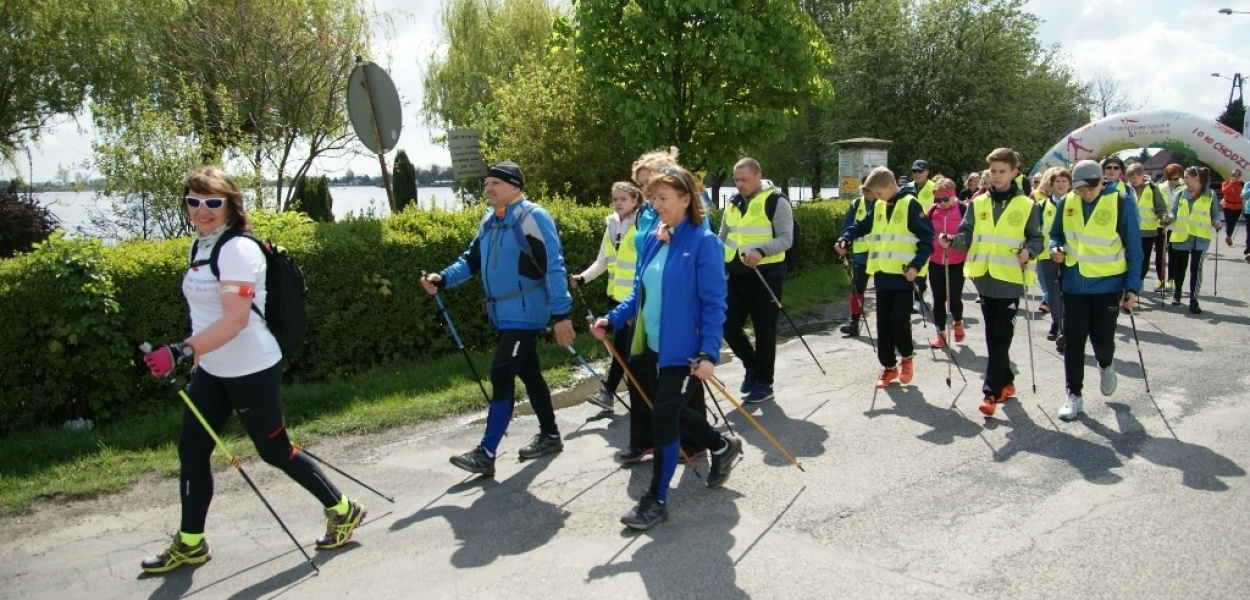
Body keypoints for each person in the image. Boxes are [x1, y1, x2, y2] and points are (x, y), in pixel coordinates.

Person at [138, 166, 364, 574]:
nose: (202, 210)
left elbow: (236, 320)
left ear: (230, 205)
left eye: (212, 202)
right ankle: (191, 543)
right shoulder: (200, 246)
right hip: (215, 367)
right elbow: (203, 314)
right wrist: (198, 357)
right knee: (191, 450)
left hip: (252, 366)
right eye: (194, 201)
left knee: (274, 451)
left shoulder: (238, 250)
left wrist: (181, 351)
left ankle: (343, 509)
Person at [590, 165, 742, 531]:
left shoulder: (703, 242)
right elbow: (638, 293)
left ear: (686, 199)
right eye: (652, 198)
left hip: (684, 350)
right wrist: (611, 318)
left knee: (662, 419)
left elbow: (713, 302)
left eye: (663, 198)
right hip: (651, 343)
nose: (655, 204)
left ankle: (656, 500)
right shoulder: (654, 239)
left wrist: (709, 352)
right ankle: (721, 446)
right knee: (667, 411)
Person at [421, 161, 575, 475]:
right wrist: (443, 279)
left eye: (495, 183)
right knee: (530, 374)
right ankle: (550, 435)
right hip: (504, 315)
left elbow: (554, 267)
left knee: (501, 375)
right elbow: (471, 260)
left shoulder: (534, 217)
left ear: (515, 186)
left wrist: (561, 314)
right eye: (486, 183)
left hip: (527, 314)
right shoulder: (491, 219)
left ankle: (486, 452)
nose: (488, 188)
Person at [939, 147, 1043, 417]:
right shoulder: (977, 203)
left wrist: (1029, 251)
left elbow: (1037, 239)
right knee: (992, 336)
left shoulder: (1027, 205)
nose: (996, 177)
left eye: (1002, 172)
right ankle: (1006, 382)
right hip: (984, 278)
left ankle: (990, 393)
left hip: (1009, 279)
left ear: (1013, 172)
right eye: (993, 172)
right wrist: (952, 241)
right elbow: (966, 235)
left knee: (1000, 336)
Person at [1047, 160, 1143, 420]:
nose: (1086, 193)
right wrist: (1054, 248)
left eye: (1090, 187)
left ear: (1102, 180)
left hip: (1108, 283)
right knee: (1073, 341)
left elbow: (1134, 247)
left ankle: (1106, 364)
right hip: (1074, 283)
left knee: (1102, 339)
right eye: (1081, 188)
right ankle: (1074, 395)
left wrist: (1133, 286)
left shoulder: (1121, 201)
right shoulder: (1066, 201)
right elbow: (1055, 234)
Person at [835, 166, 934, 387]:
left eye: (878, 193)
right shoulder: (879, 206)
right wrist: (846, 238)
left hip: (903, 275)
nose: (875, 198)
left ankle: (907, 357)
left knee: (899, 319)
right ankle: (889, 367)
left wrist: (916, 266)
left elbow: (927, 239)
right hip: (881, 274)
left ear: (890, 186)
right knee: (883, 324)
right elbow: (861, 226)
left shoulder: (910, 205)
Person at [720, 157, 794, 403]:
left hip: (766, 276)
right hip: (736, 276)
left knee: (764, 332)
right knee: (727, 325)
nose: (739, 184)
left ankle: (765, 383)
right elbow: (723, 238)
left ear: (758, 176)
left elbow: (786, 239)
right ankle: (752, 366)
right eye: (736, 179)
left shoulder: (776, 201)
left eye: (744, 179)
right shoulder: (732, 203)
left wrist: (761, 251)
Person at [571, 182, 644, 412]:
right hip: (618, 300)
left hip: (637, 299)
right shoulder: (612, 225)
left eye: (623, 199)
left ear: (635, 200)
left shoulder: (642, 224)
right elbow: (603, 260)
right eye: (615, 199)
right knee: (622, 350)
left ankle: (612, 393)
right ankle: (615, 394)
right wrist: (582, 278)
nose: (618, 203)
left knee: (625, 350)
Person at [1168, 165, 1221, 314]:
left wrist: (1217, 222)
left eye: (1186, 177)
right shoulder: (1180, 194)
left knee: (1197, 269)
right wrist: (1168, 219)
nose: (1183, 180)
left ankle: (1194, 299)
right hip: (1181, 236)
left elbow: (1215, 214)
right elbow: (1173, 213)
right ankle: (1177, 293)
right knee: (1180, 268)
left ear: (1196, 178)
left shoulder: (1210, 194)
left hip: (1201, 237)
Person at [926, 176, 967, 348]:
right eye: (938, 199)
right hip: (936, 261)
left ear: (953, 195)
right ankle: (940, 334)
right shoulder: (932, 211)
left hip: (957, 261)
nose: (942, 202)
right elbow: (925, 232)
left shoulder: (963, 209)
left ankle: (958, 322)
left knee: (955, 298)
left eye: (946, 198)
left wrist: (952, 239)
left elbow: (968, 234)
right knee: (938, 299)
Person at [1126, 163, 1172, 293]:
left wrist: (1164, 217)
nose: (1133, 179)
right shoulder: (1125, 188)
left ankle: (1137, 282)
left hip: (1148, 231)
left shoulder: (1152, 188)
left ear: (1142, 176)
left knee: (1144, 262)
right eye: (1130, 177)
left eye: (1135, 176)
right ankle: (1132, 286)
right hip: (1130, 231)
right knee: (1130, 260)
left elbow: (1161, 207)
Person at [1037, 167, 1071, 345]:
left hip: (1069, 255)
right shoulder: (1041, 206)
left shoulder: (1075, 203)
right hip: (1046, 255)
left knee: (1067, 292)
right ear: (1051, 184)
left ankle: (1065, 328)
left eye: (1064, 181)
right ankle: (1057, 323)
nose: (1060, 184)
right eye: (1057, 181)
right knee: (1052, 293)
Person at [839, 179, 873, 337]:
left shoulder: (884, 204)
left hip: (881, 253)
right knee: (857, 288)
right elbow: (848, 226)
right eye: (864, 189)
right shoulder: (856, 203)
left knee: (885, 290)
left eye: (870, 189)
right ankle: (854, 322)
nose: (867, 192)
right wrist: (843, 243)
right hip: (861, 253)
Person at [1220, 169, 1244, 247]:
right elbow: (1224, 191)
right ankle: (1228, 236)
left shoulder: (1242, 184)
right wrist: (1232, 183)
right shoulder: (1226, 183)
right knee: (1229, 222)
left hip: (1238, 206)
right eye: (1233, 175)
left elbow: (1242, 194)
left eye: (1237, 175)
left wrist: (1236, 184)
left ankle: (1229, 236)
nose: (1235, 177)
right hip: (1228, 205)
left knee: (1233, 222)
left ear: (1240, 176)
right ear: (1231, 176)